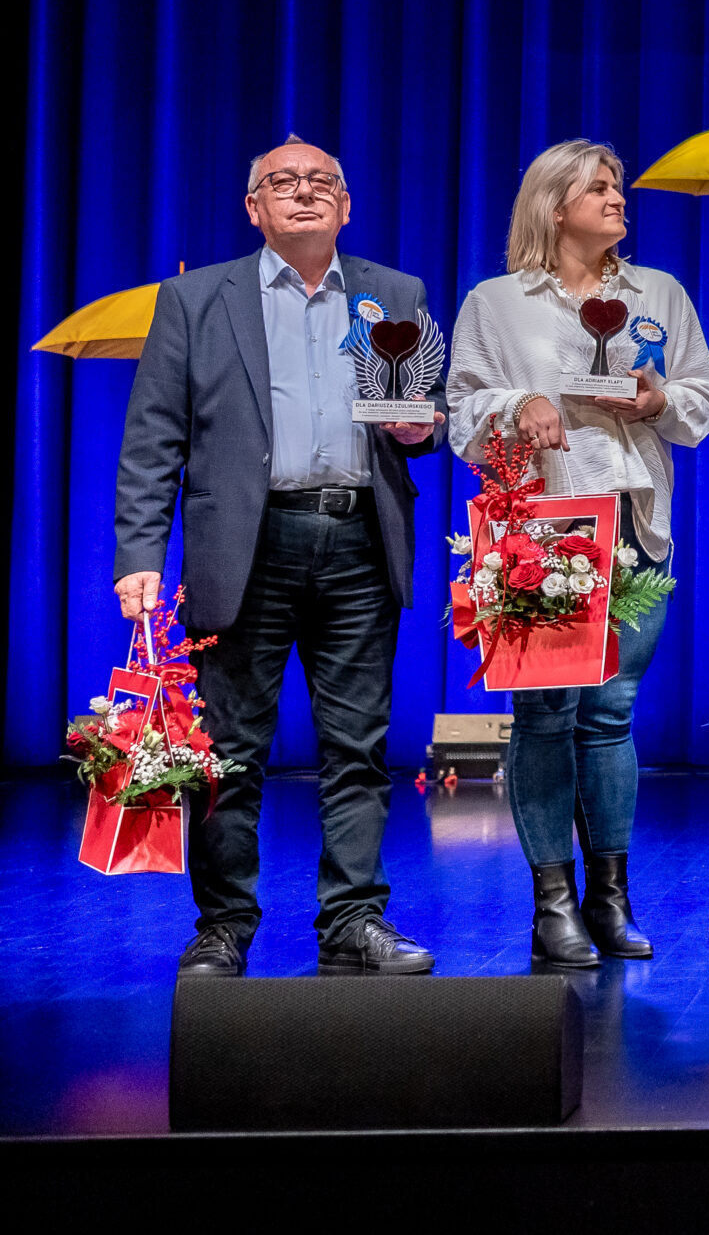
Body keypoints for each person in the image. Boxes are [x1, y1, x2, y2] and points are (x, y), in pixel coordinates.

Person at [114, 135, 446, 978]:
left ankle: (354, 919)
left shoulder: (394, 292)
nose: (304, 191)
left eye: (321, 180)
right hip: (245, 546)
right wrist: (139, 553)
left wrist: (422, 425)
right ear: (254, 207)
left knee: (359, 747)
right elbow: (152, 438)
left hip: (359, 539)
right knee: (229, 750)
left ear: (347, 205)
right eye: (283, 181)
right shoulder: (195, 298)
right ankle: (223, 925)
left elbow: (427, 410)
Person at [445, 141, 709, 967]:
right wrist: (520, 401)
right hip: (543, 526)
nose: (617, 198)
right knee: (545, 714)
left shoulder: (658, 293)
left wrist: (659, 398)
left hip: (632, 522)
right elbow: (461, 407)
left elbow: (705, 399)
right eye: (598, 187)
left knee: (610, 713)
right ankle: (552, 904)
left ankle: (610, 898)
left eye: (618, 186)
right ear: (554, 205)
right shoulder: (496, 302)